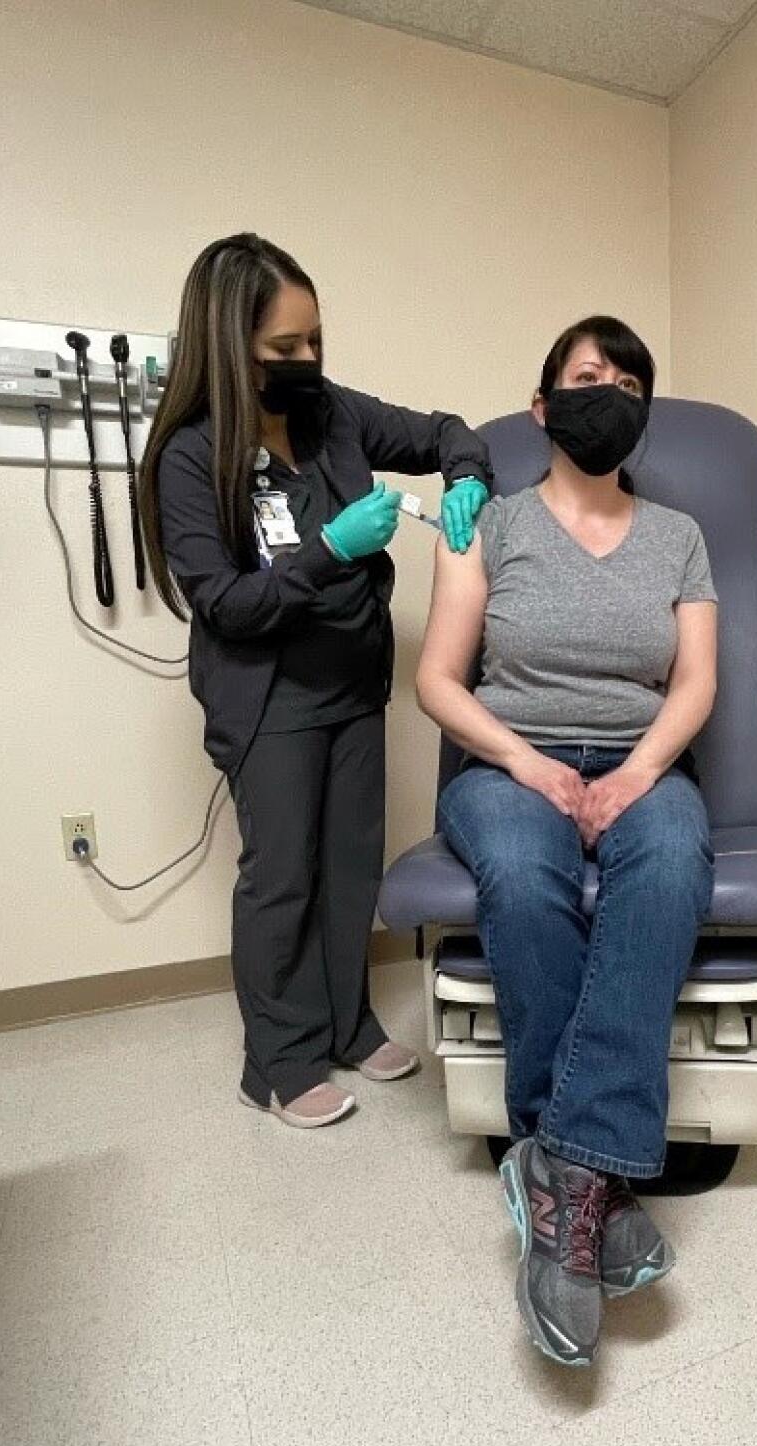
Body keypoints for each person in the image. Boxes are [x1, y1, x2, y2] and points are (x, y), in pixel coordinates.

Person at [416, 316, 718, 1365]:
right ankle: (595, 1173)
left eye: (627, 379)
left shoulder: (678, 534)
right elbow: (438, 681)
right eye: (587, 376)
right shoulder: (488, 523)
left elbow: (696, 683)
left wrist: (635, 773)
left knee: (672, 859)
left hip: (643, 758)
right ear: (542, 408)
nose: (609, 391)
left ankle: (559, 1172)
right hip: (507, 758)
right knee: (526, 871)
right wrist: (531, 764)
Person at [140, 233, 492, 1129]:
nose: (307, 362)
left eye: (315, 342)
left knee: (347, 868)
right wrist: (334, 548)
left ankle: (346, 1022)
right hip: (269, 699)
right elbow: (226, 603)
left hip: (350, 684)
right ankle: (281, 1058)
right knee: (283, 877)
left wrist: (467, 479)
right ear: (228, 345)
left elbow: (451, 431)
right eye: (284, 349)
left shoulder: (332, 415)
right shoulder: (190, 457)